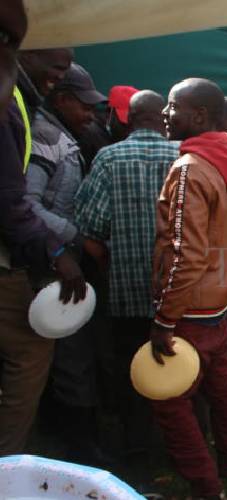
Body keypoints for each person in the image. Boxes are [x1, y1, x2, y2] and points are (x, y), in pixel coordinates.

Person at [150, 78, 227, 499]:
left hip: (189, 310)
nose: (164, 114)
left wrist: (163, 318)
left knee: (170, 399)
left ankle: (207, 487)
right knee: (220, 387)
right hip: (217, 303)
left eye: (172, 106)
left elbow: (186, 253)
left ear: (200, 115)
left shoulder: (191, 168)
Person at [0, 0, 86, 457]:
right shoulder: (12, 102)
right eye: (55, 66)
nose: (59, 74)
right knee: (30, 360)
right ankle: (9, 465)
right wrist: (60, 249)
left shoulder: (21, 101)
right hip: (10, 264)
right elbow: (16, 203)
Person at [74, 90, 178, 462]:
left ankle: (136, 440)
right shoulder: (184, 157)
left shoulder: (108, 157)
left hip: (126, 289)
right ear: (162, 119)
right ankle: (178, 439)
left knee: (130, 362)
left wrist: (107, 264)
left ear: (126, 120)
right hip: (177, 292)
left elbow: (87, 230)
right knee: (177, 361)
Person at [26, 62, 108, 464]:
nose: (91, 115)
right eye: (84, 106)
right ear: (61, 99)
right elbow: (26, 204)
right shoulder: (46, 137)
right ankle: (79, 448)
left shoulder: (63, 135)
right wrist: (73, 242)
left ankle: (62, 428)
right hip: (49, 261)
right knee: (71, 350)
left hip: (55, 257)